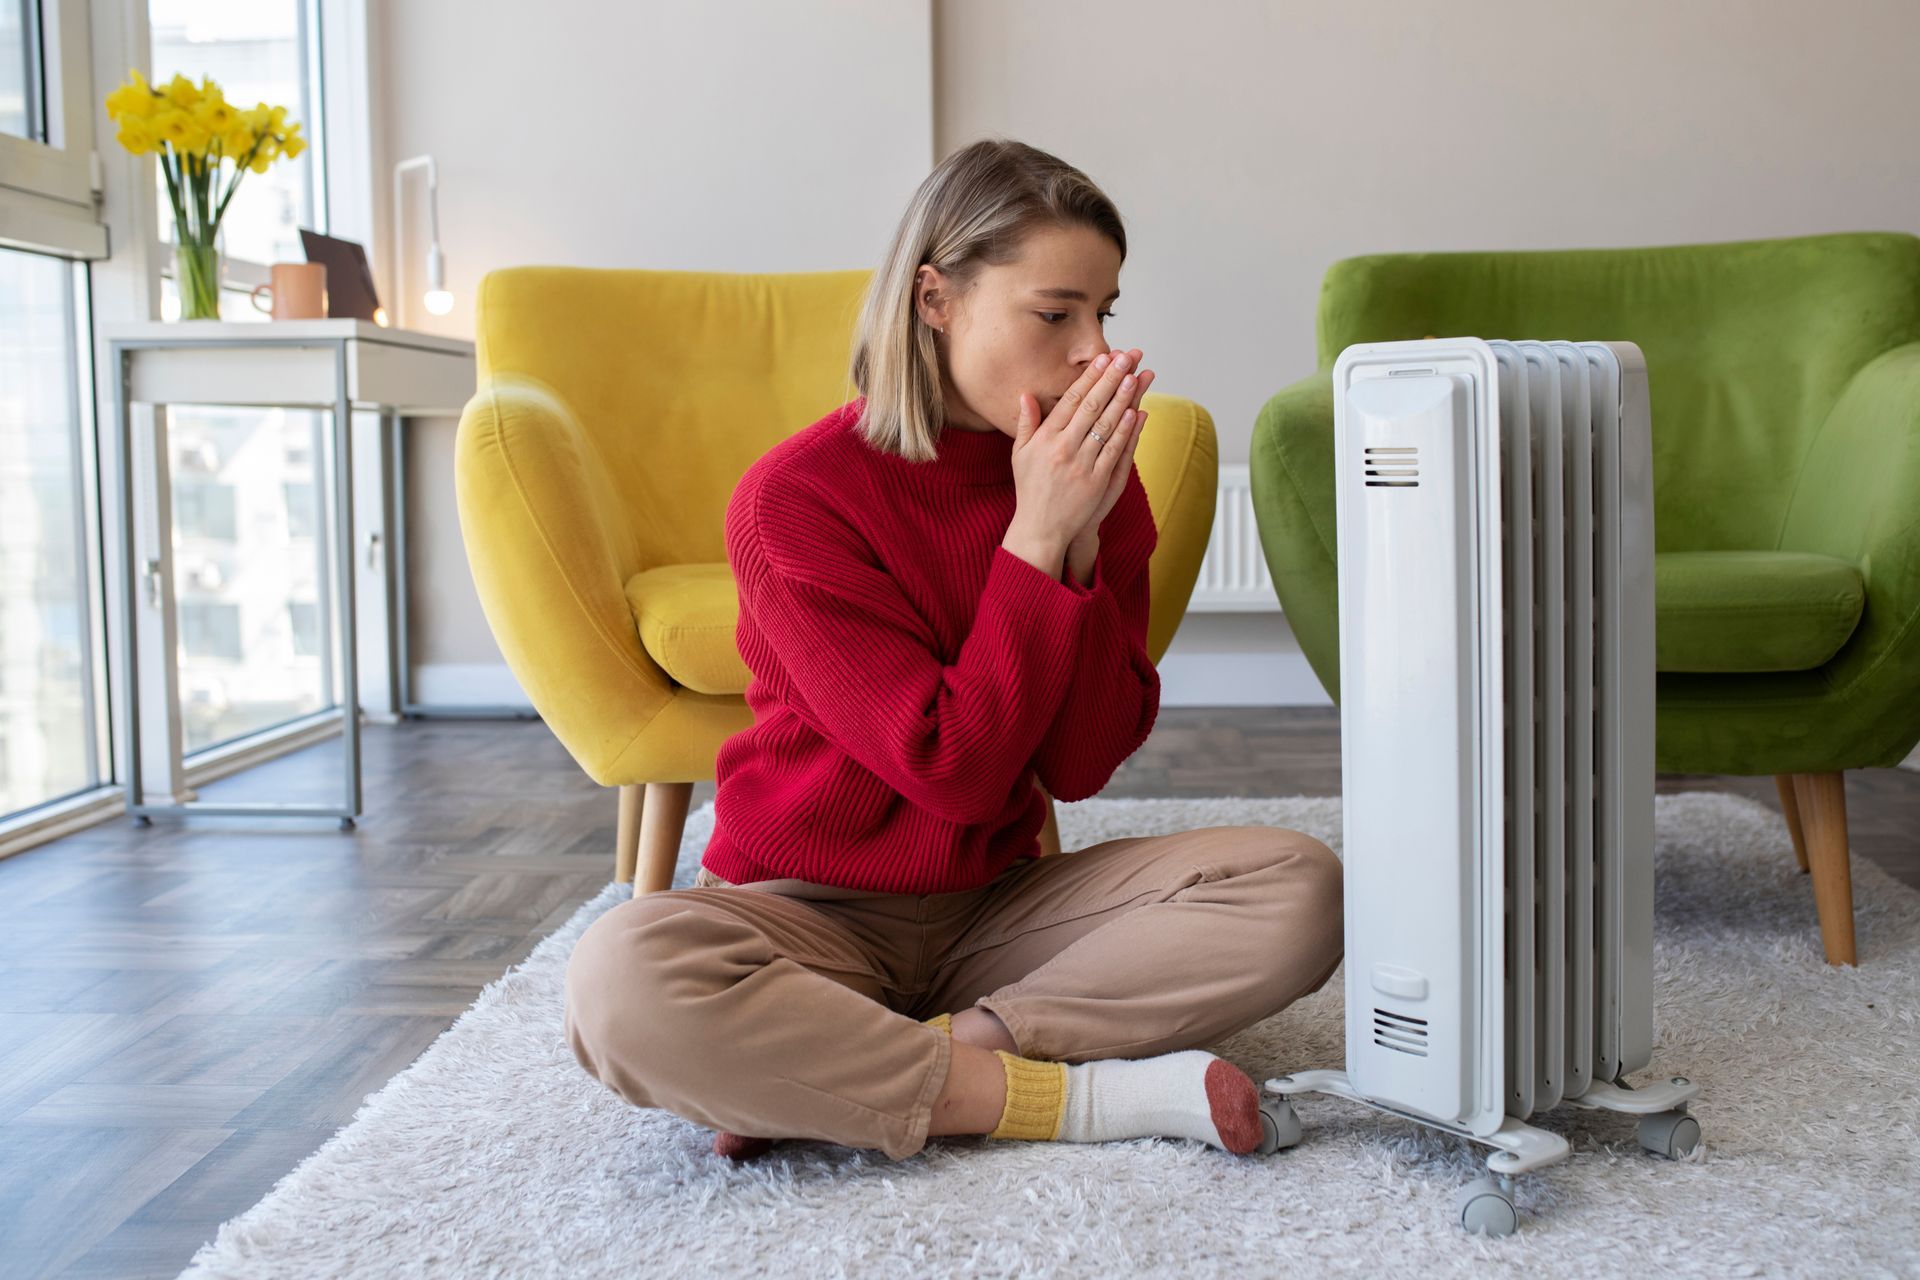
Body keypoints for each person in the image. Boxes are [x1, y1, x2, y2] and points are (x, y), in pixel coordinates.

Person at [563, 137, 1344, 1163]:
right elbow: (953, 767)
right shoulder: (794, 500)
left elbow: (1078, 764)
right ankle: (1074, 1099)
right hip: (807, 916)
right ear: (935, 297)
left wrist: (1071, 541)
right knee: (621, 976)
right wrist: (1033, 538)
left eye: (1105, 313)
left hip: (997, 907)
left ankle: (903, 1065)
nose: (1092, 351)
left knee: (1301, 884)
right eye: (1055, 313)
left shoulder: (1094, 480)